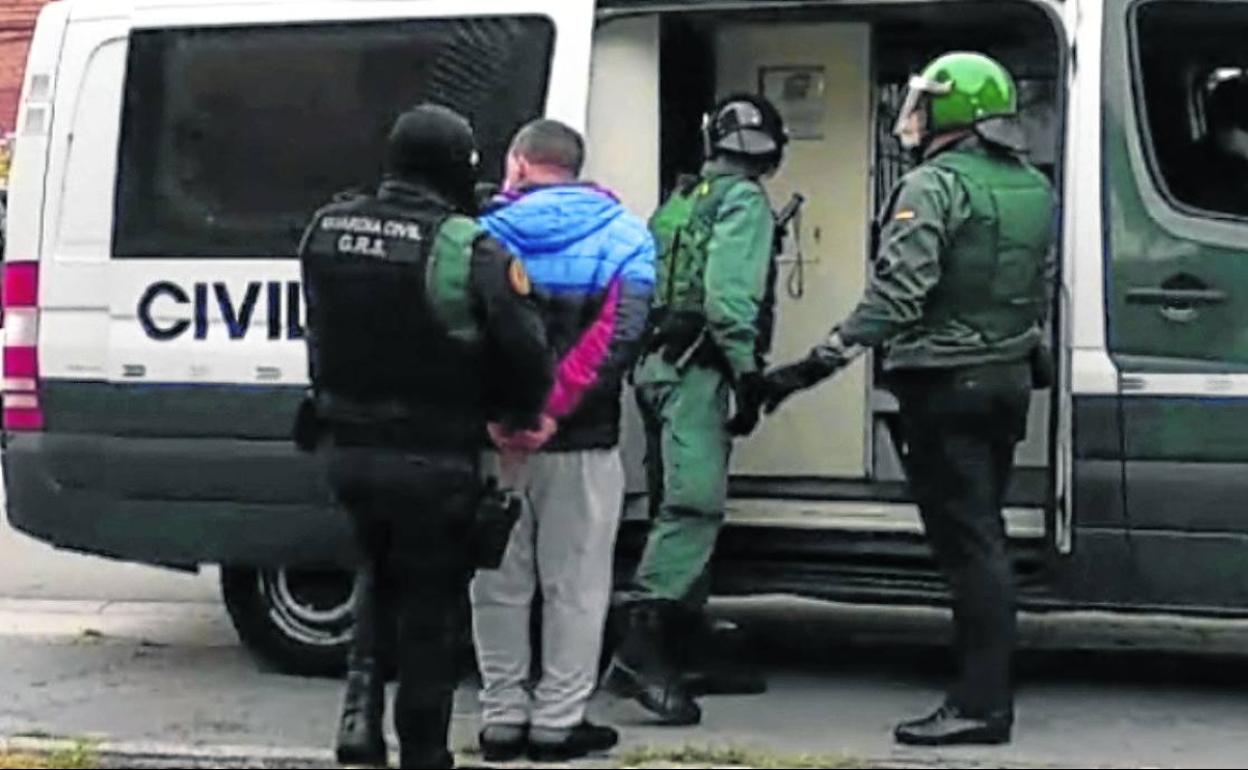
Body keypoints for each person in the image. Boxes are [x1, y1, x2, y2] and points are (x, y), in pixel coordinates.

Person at [763, 52, 1056, 747]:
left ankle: (980, 706)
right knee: (985, 536)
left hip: (945, 387)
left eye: (924, 101)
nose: (913, 115)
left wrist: (813, 365)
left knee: (970, 549)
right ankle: (984, 695)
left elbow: (898, 294)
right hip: (1005, 381)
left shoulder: (932, 186)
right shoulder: (1032, 186)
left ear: (954, 112)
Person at [297, 103, 556, 769]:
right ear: (455, 168)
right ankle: (423, 751)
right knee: (430, 612)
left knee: (376, 571)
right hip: (434, 455)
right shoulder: (468, 246)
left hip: (345, 452)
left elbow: (321, 331)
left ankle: (358, 717)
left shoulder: (328, 228)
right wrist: (517, 414)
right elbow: (525, 352)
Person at [470, 119, 656, 761]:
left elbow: (466, 331)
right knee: (575, 587)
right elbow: (618, 335)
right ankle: (557, 722)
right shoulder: (628, 236)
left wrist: (506, 413)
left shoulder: (480, 235)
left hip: (497, 441)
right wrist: (553, 410)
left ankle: (500, 720)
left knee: (496, 579)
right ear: (575, 166)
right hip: (583, 440)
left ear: (519, 162)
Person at [602, 94, 789, 726]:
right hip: (696, 372)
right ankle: (641, 648)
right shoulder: (744, 203)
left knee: (668, 502)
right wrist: (749, 374)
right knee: (694, 504)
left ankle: (683, 642)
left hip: (655, 367)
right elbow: (728, 299)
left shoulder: (681, 199)